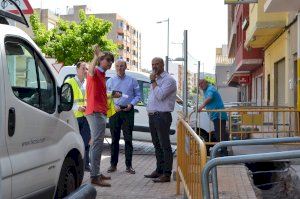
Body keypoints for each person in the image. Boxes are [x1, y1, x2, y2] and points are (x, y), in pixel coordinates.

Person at [85, 45, 115, 187]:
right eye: (108, 60)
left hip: (100, 112)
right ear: (101, 60)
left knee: (96, 144)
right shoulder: (96, 71)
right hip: (95, 112)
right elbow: (90, 71)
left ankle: (96, 173)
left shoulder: (102, 74)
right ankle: (95, 176)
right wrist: (96, 56)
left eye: (111, 61)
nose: (110, 63)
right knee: (97, 144)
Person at [144, 57, 177, 183]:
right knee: (156, 144)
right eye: (152, 64)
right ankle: (159, 170)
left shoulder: (169, 80)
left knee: (165, 145)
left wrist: (153, 81)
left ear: (162, 65)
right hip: (153, 116)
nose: (154, 66)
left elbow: (160, 95)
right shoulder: (156, 80)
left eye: (157, 64)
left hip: (162, 116)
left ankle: (166, 174)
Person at [106, 59, 141, 175]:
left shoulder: (132, 81)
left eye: (122, 66)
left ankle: (129, 166)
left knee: (128, 139)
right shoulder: (110, 81)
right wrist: (113, 106)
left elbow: (138, 96)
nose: (119, 68)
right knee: (114, 139)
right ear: (115, 68)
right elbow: (106, 97)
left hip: (128, 111)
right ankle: (113, 165)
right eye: (117, 66)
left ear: (126, 67)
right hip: (114, 112)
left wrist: (131, 104)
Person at [65, 62, 91, 172]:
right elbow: (65, 100)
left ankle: (85, 164)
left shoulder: (88, 83)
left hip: (86, 117)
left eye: (87, 69)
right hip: (74, 117)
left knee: (86, 142)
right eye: (83, 68)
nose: (85, 71)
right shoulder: (69, 82)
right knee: (74, 143)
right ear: (77, 69)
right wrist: (77, 108)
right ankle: (75, 165)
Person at [197, 79, 228, 156]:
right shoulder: (206, 90)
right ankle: (223, 150)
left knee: (220, 135)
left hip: (218, 115)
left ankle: (224, 153)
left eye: (202, 83)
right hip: (216, 115)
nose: (200, 85)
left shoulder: (210, 89)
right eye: (199, 84)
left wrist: (201, 106)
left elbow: (209, 98)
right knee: (219, 134)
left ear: (206, 82)